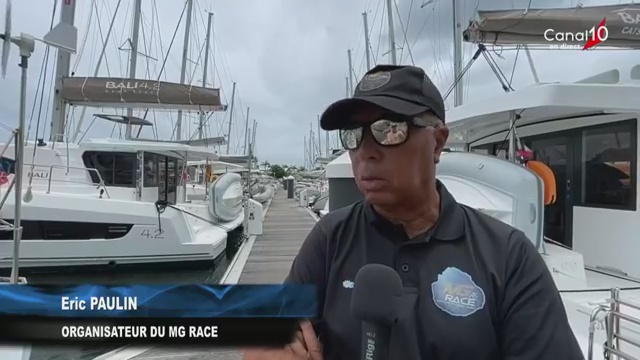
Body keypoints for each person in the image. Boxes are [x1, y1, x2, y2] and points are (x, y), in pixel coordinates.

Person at [243, 65, 584, 359]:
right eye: (354, 135)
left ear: (437, 142)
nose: (366, 151)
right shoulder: (330, 239)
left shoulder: (508, 256)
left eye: (389, 129)